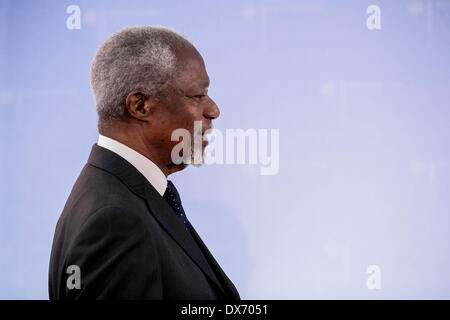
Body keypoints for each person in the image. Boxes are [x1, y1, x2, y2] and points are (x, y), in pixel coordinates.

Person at [48, 26, 240, 300]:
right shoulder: (116, 222)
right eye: (198, 96)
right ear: (140, 106)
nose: (213, 110)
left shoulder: (125, 197)